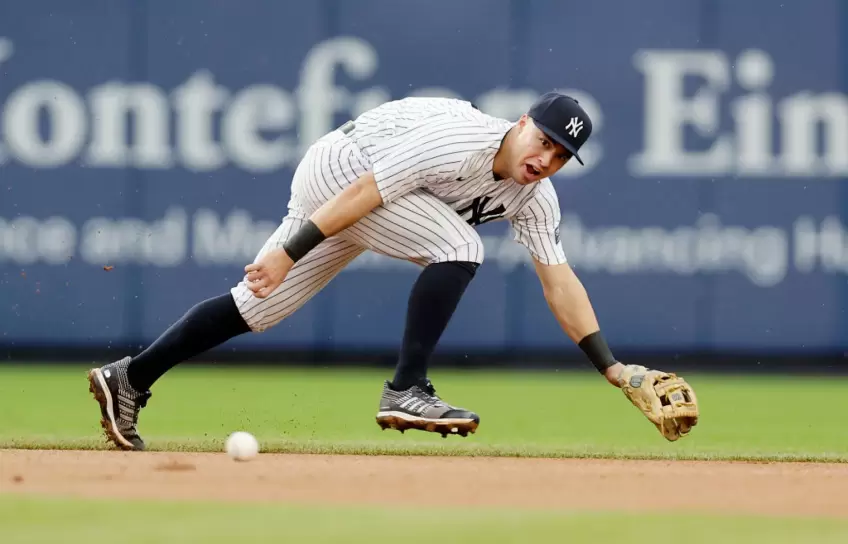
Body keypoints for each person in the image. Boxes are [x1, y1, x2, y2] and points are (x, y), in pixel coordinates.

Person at [87, 91, 699, 451]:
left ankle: (129, 378)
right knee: (460, 246)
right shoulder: (458, 139)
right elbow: (365, 191)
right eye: (541, 140)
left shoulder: (535, 197)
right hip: (344, 168)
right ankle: (407, 387)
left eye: (561, 156)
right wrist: (286, 250)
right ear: (519, 124)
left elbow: (558, 282)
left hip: (366, 194)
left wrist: (614, 368)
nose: (546, 159)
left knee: (258, 309)